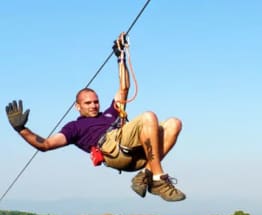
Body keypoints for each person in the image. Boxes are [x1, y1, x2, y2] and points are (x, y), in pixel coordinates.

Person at [5, 33, 185, 202]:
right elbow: (45, 145)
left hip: (137, 153)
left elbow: (123, 89)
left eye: (95, 102)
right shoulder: (74, 127)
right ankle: (158, 179)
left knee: (173, 123)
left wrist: (120, 58)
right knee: (148, 117)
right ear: (78, 106)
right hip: (112, 150)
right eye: (88, 103)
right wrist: (21, 129)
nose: (93, 106)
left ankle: (146, 174)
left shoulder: (110, 113)